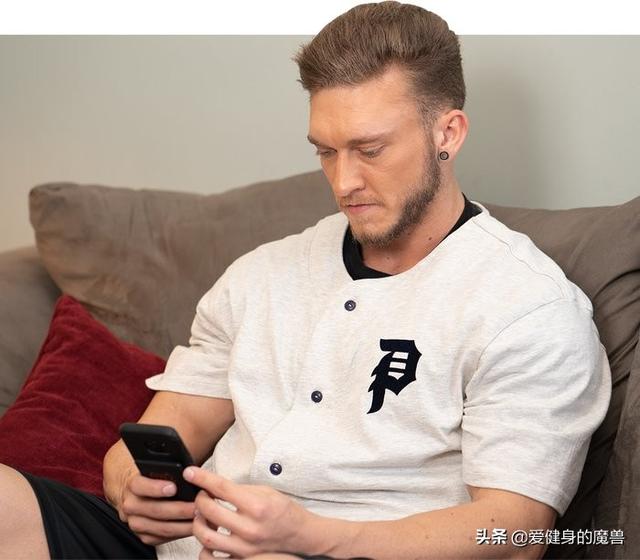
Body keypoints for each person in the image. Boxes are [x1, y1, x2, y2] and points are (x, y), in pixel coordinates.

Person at [0, 2, 611, 559]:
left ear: (447, 133)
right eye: (326, 150)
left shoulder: (527, 307)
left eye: (370, 149)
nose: (344, 182)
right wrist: (130, 480)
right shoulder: (262, 273)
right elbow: (173, 420)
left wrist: (314, 536)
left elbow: (516, 533)